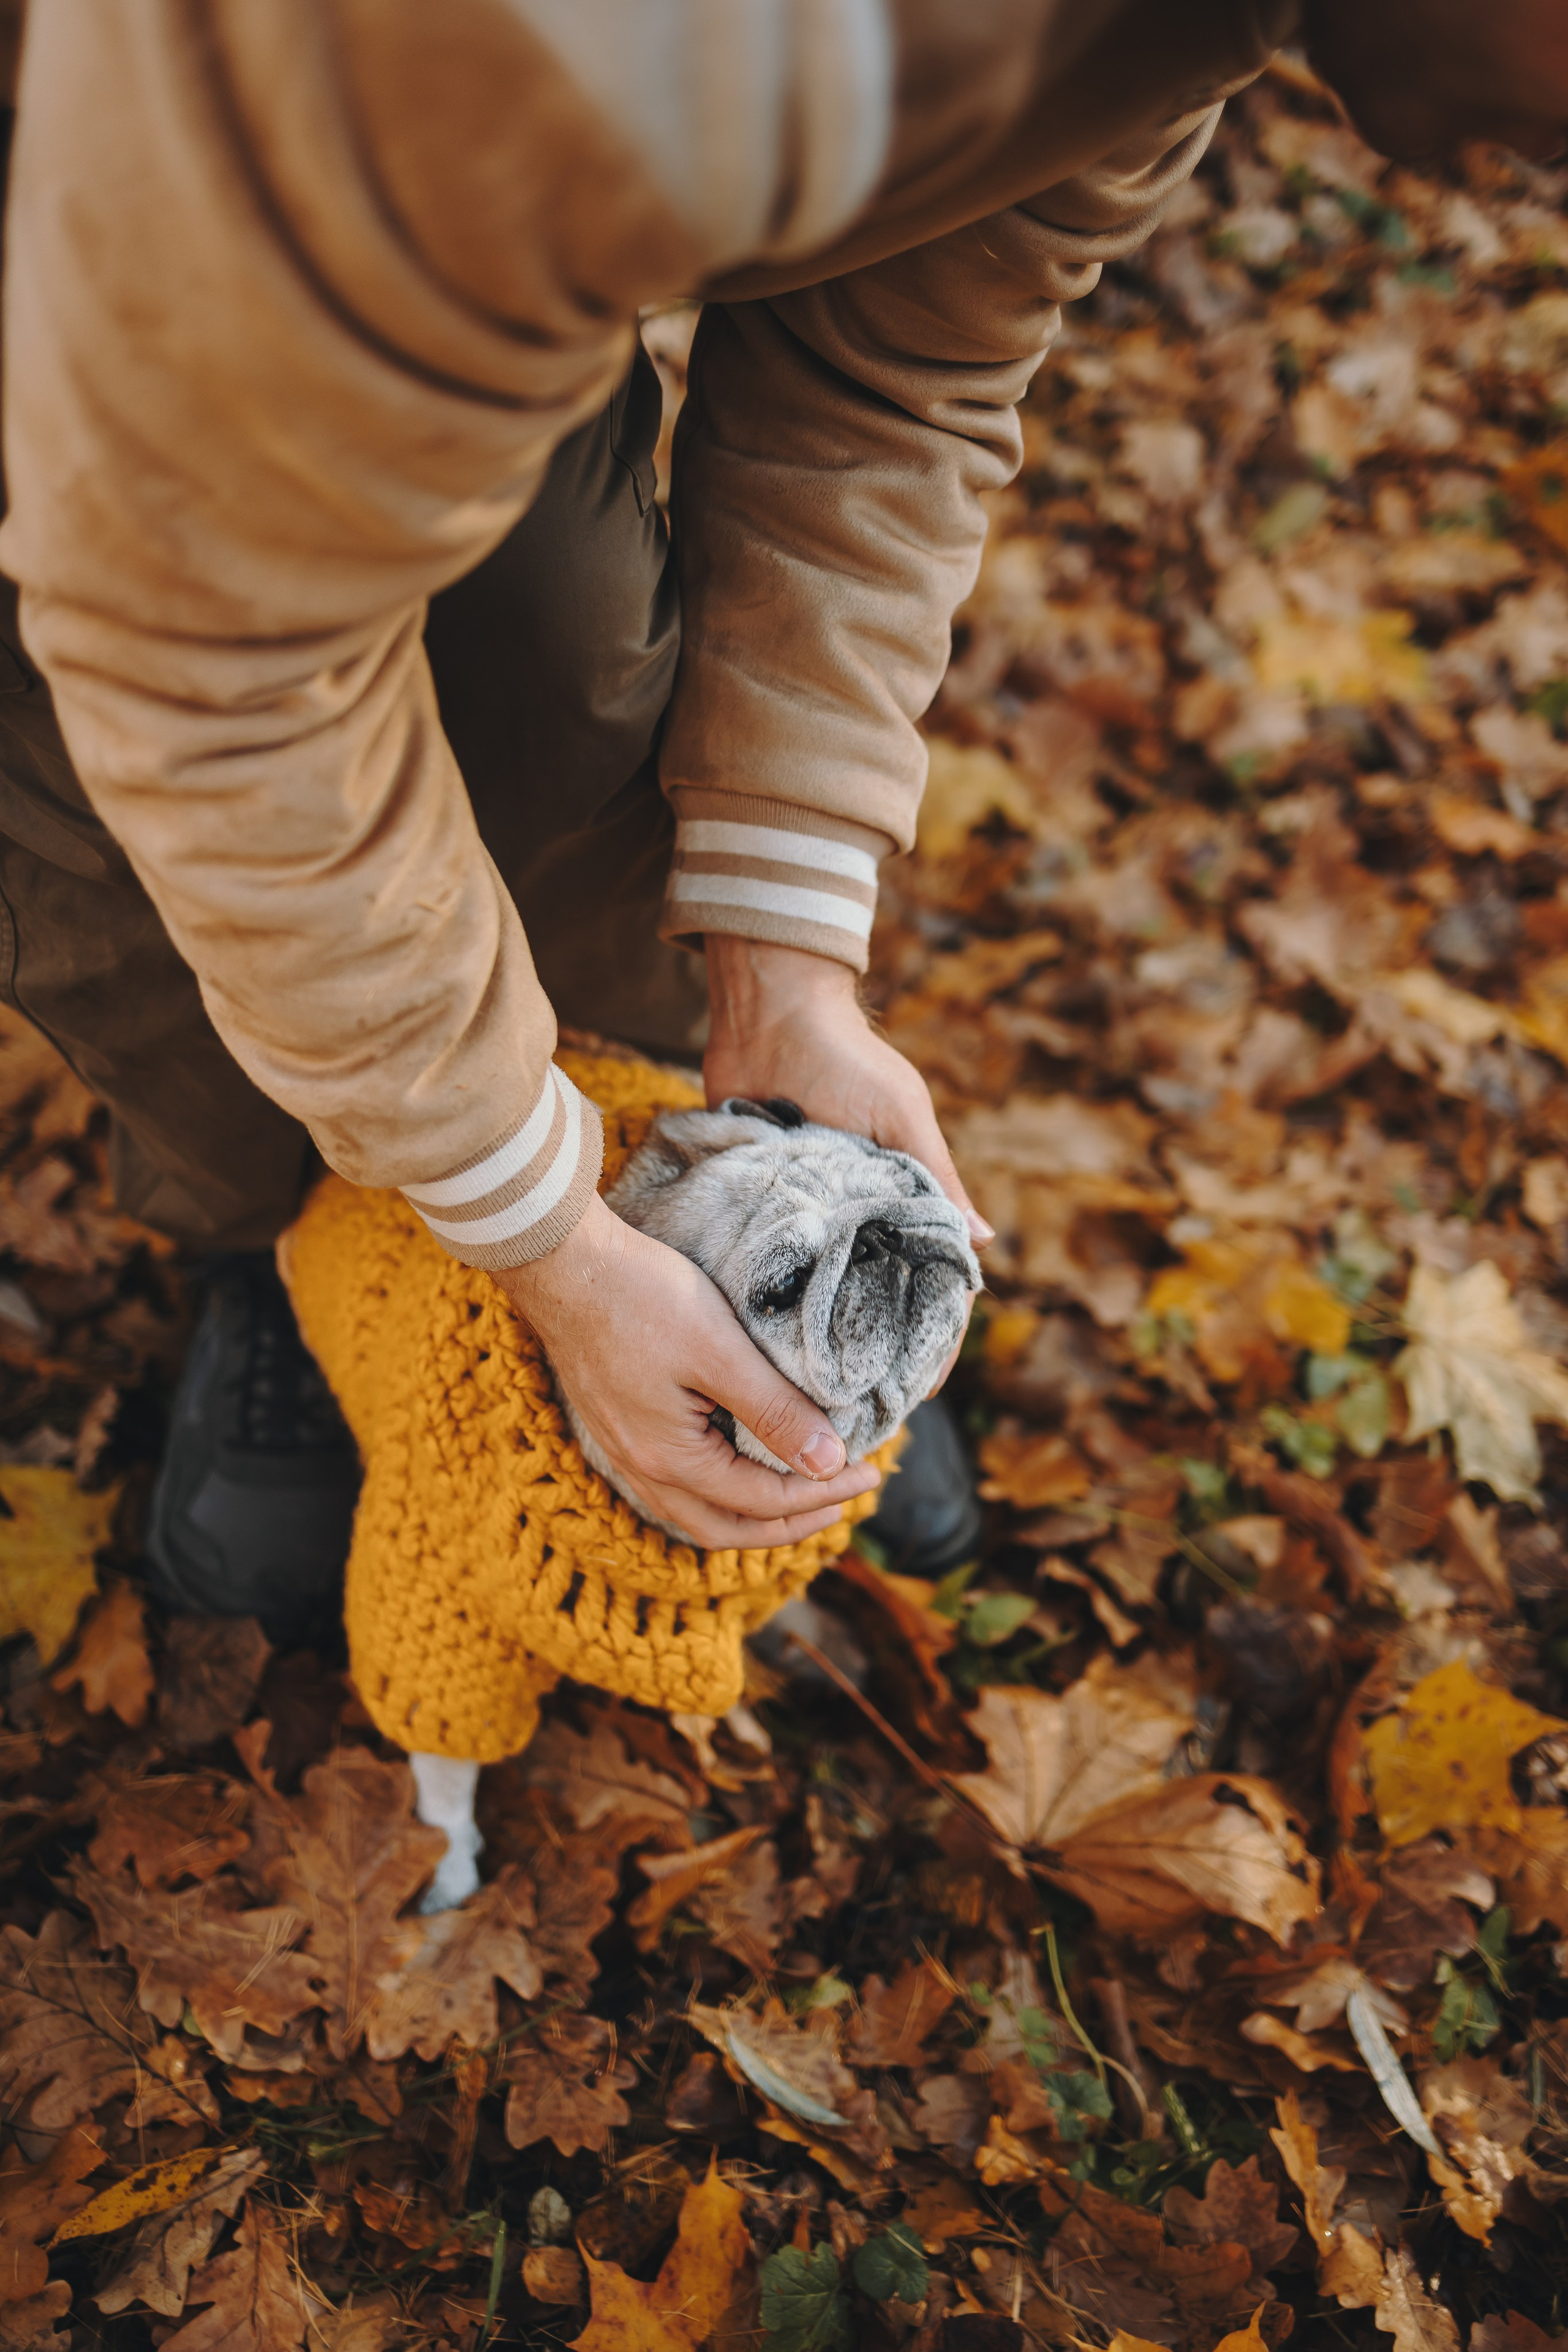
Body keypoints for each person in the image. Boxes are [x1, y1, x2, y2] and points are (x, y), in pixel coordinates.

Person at [0, 0, 1561, 1642]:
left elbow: (899, 372)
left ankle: (685, 1185)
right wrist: (527, 1228)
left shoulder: (1195, 26)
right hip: (108, 183)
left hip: (414, 219)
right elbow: (209, 666)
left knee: (554, 634)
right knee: (93, 785)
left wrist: (785, 967)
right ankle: (284, 1224)